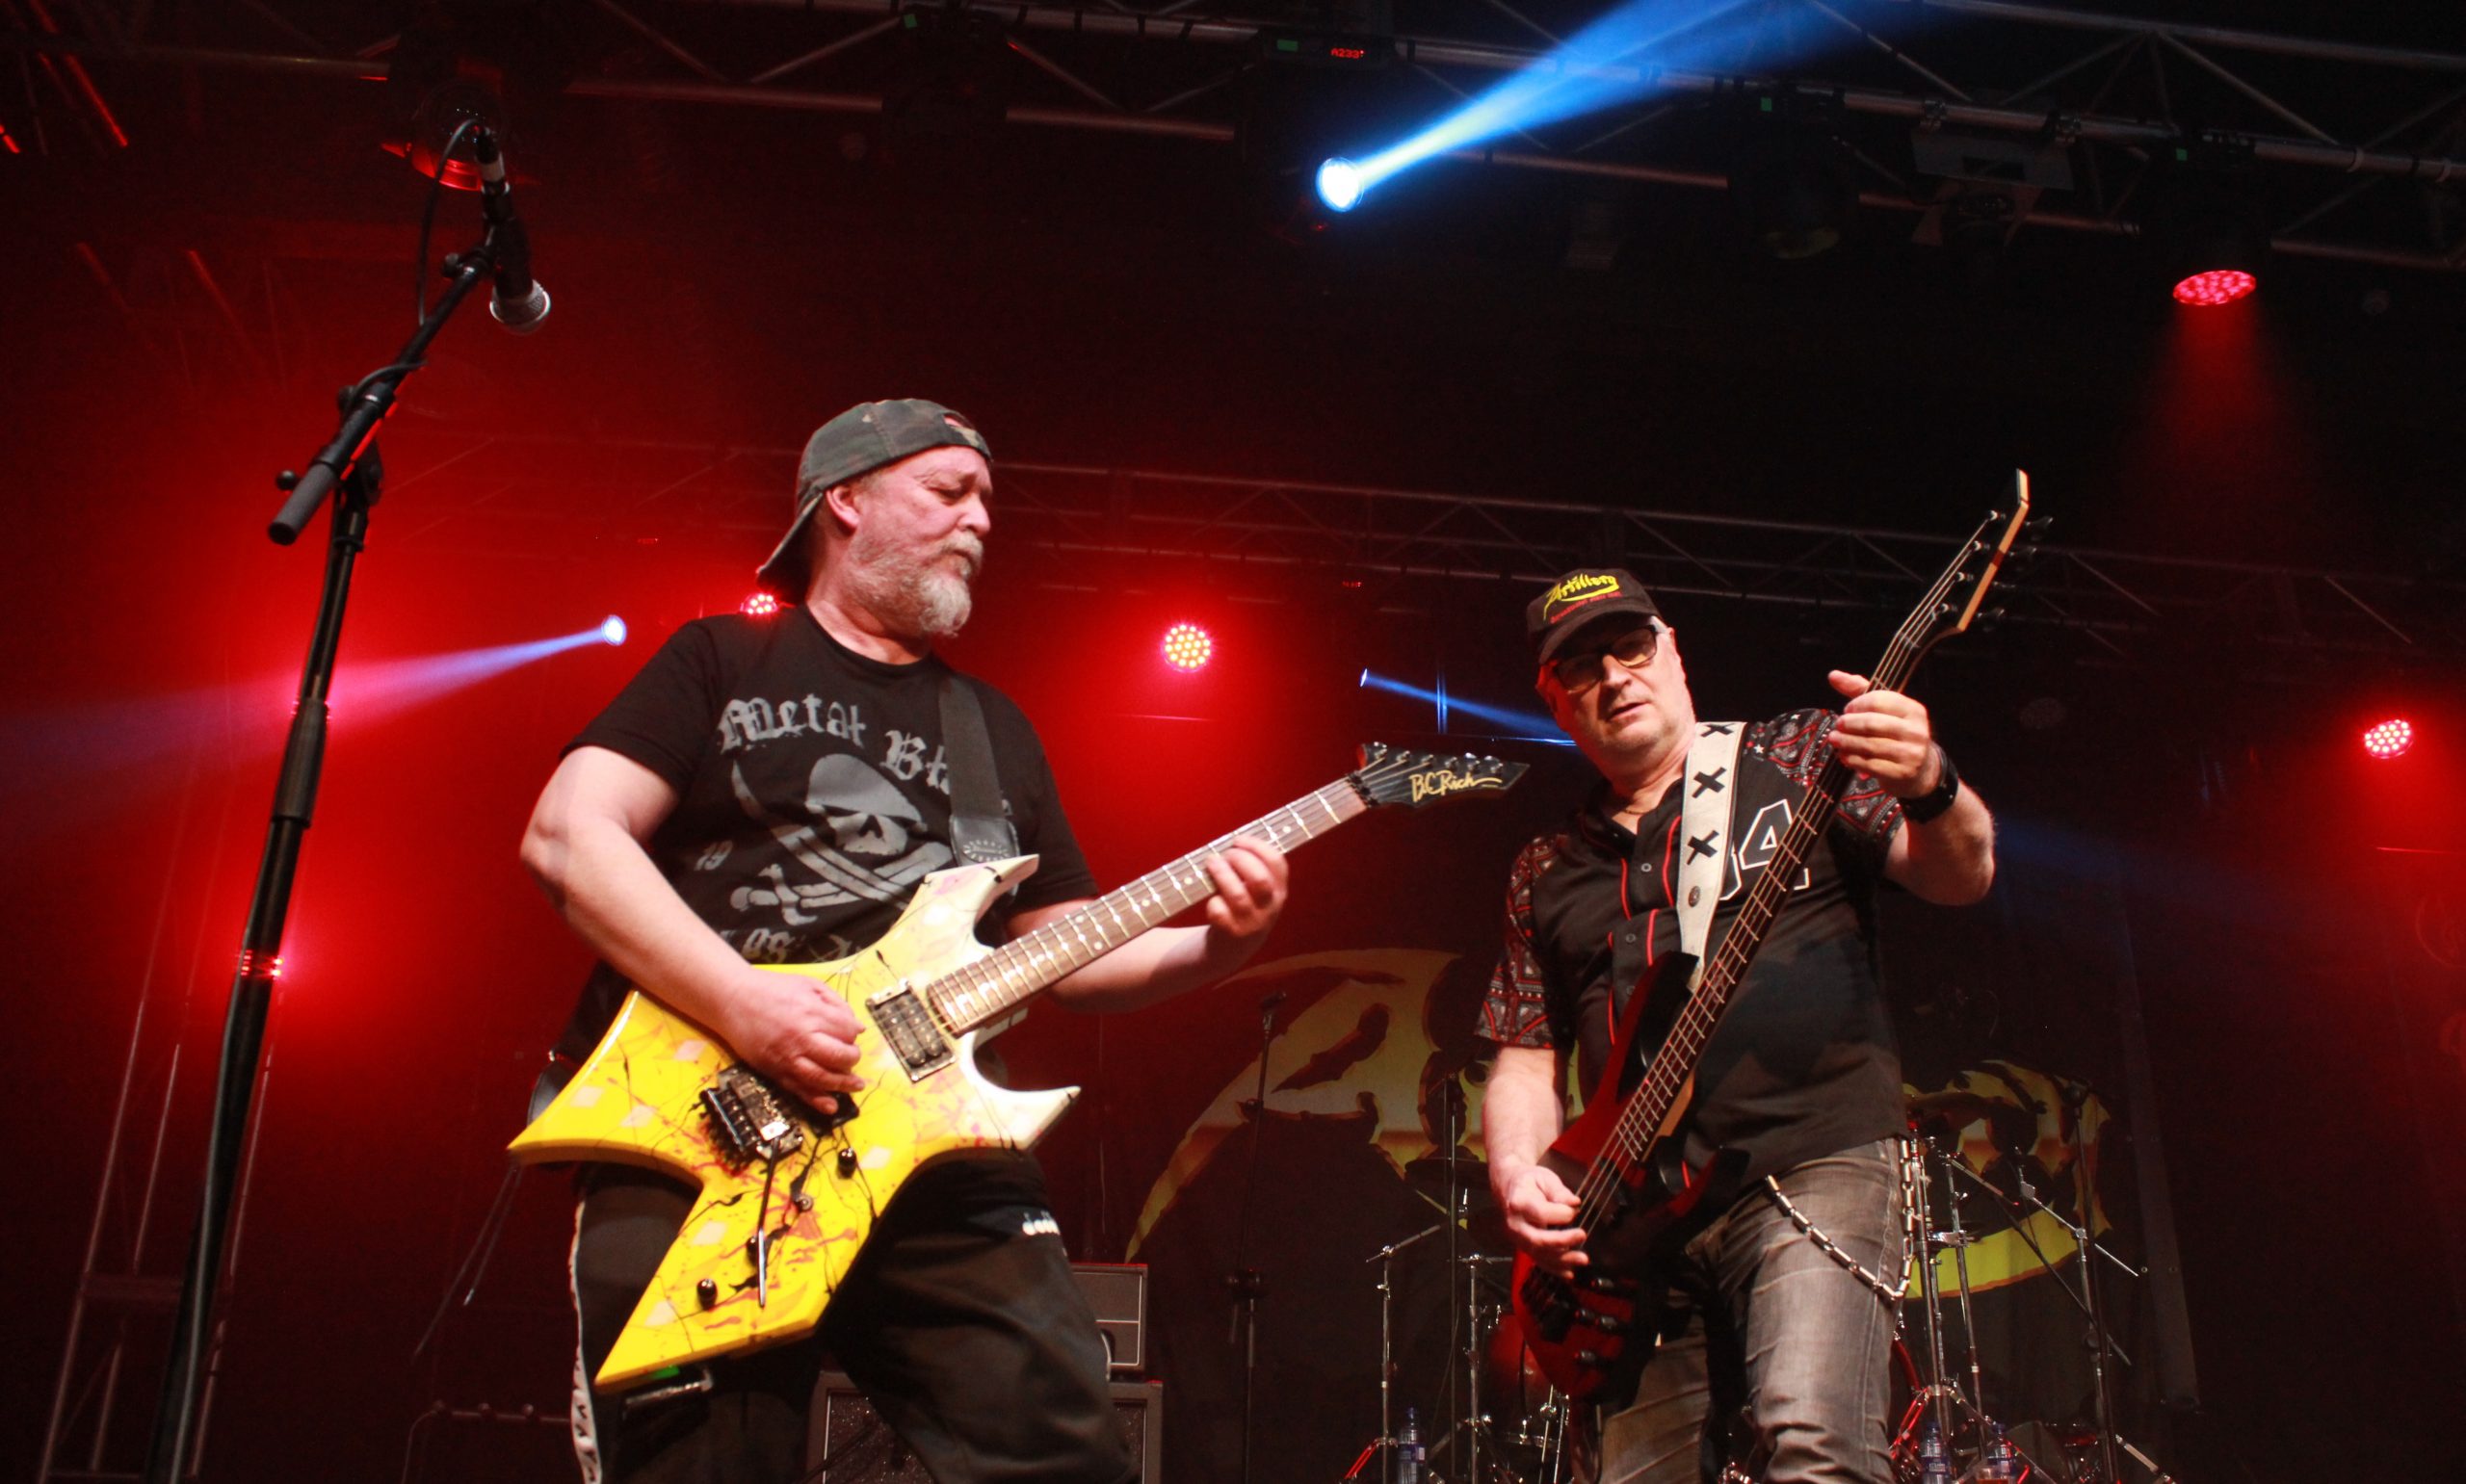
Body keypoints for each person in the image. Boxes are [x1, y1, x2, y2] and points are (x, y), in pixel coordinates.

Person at [519, 399, 1290, 1484]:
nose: (981, 519)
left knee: (1066, 1455)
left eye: (988, 500)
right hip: (702, 1120)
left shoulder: (992, 728)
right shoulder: (721, 658)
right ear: (844, 498)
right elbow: (569, 834)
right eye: (949, 490)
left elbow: (1061, 949)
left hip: (930, 1142)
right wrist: (745, 1003)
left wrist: (1218, 947)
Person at [1480, 569, 1995, 1484]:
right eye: (1581, 666)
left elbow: (1961, 875)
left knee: (1814, 1441)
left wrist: (1932, 783)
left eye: (1630, 646)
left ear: (1673, 651)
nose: (1614, 675)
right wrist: (1520, 1175)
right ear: (1554, 701)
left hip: (1814, 1153)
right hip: (1630, 1235)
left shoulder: (1799, 753)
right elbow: (1525, 1057)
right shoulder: (1545, 867)